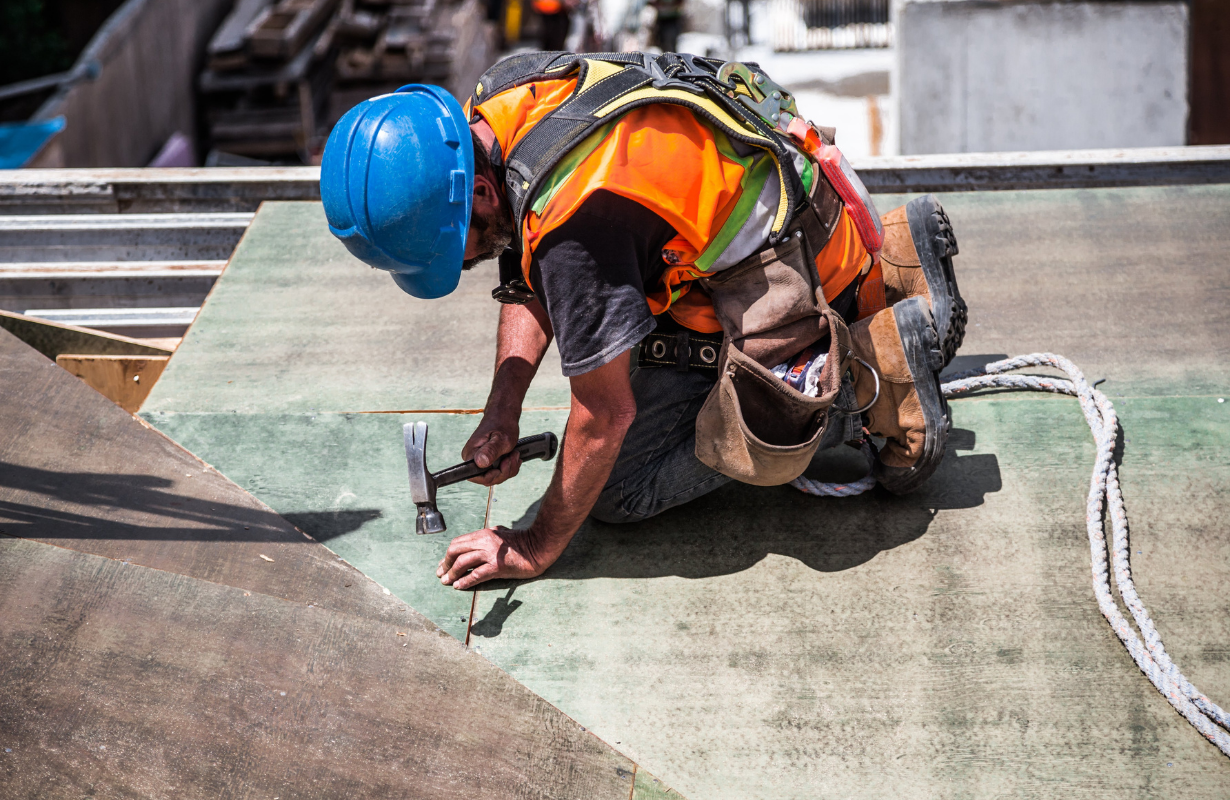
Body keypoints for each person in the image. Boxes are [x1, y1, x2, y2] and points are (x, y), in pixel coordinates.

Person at [319, 52, 966, 591]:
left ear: (480, 193)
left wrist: (535, 545)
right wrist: (503, 409)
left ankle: (868, 373)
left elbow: (604, 417)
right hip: (796, 205)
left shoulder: (576, 223)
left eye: (451, 250)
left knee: (621, 490)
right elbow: (524, 267)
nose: (458, 268)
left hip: (791, 278)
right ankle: (897, 262)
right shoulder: (503, 99)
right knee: (615, 344)